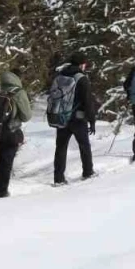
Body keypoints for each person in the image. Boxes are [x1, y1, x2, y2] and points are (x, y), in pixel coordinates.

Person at [52, 53, 97, 186]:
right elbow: (88, 102)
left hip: (61, 117)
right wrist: (92, 121)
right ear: (82, 64)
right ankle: (88, 172)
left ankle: (58, 178)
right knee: (84, 146)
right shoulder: (82, 79)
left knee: (61, 147)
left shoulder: (60, 76)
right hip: (78, 118)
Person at [0, 69, 34, 199]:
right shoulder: (18, 92)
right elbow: (26, 116)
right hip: (11, 130)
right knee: (6, 161)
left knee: (1, 160)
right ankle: (1, 192)